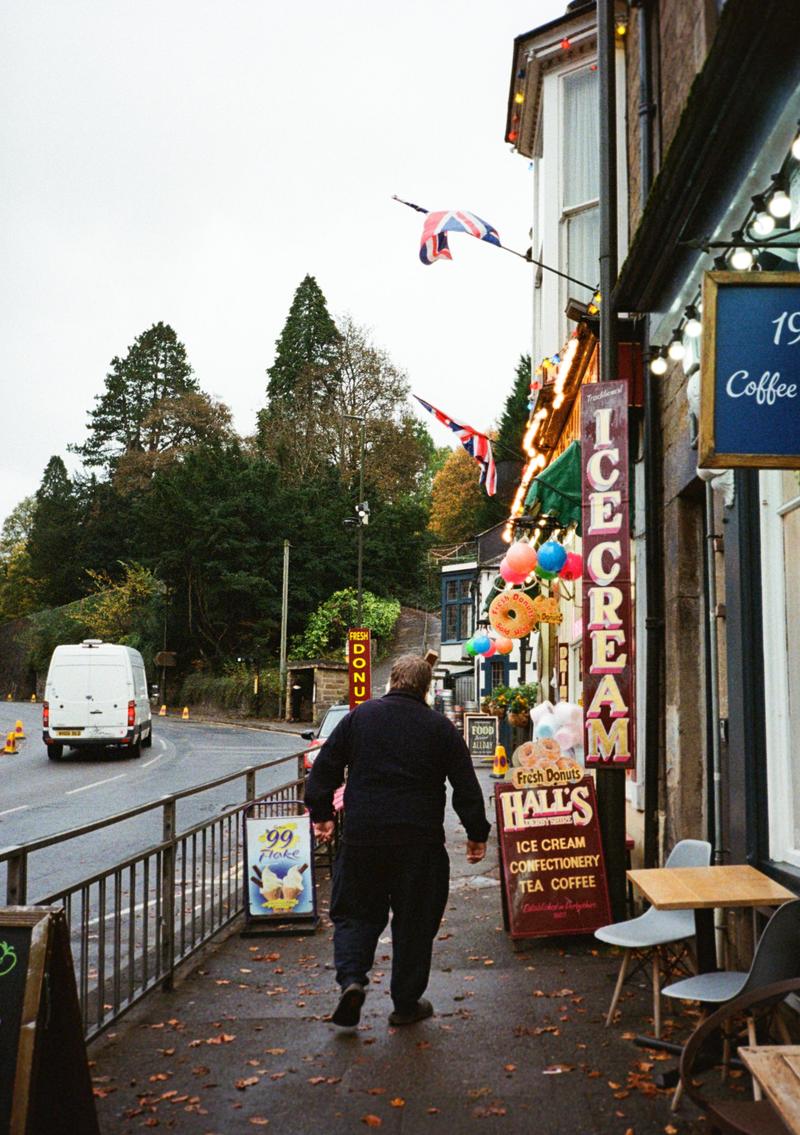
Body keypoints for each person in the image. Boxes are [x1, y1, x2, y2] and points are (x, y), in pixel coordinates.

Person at [304, 654, 490, 1028]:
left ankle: (353, 980)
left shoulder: (360, 718)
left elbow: (324, 766)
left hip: (363, 838)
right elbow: (465, 784)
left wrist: (322, 813)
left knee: (355, 914)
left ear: (390, 681)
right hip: (419, 842)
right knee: (416, 921)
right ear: (425, 688)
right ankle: (405, 1004)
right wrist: (476, 833)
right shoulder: (440, 727)